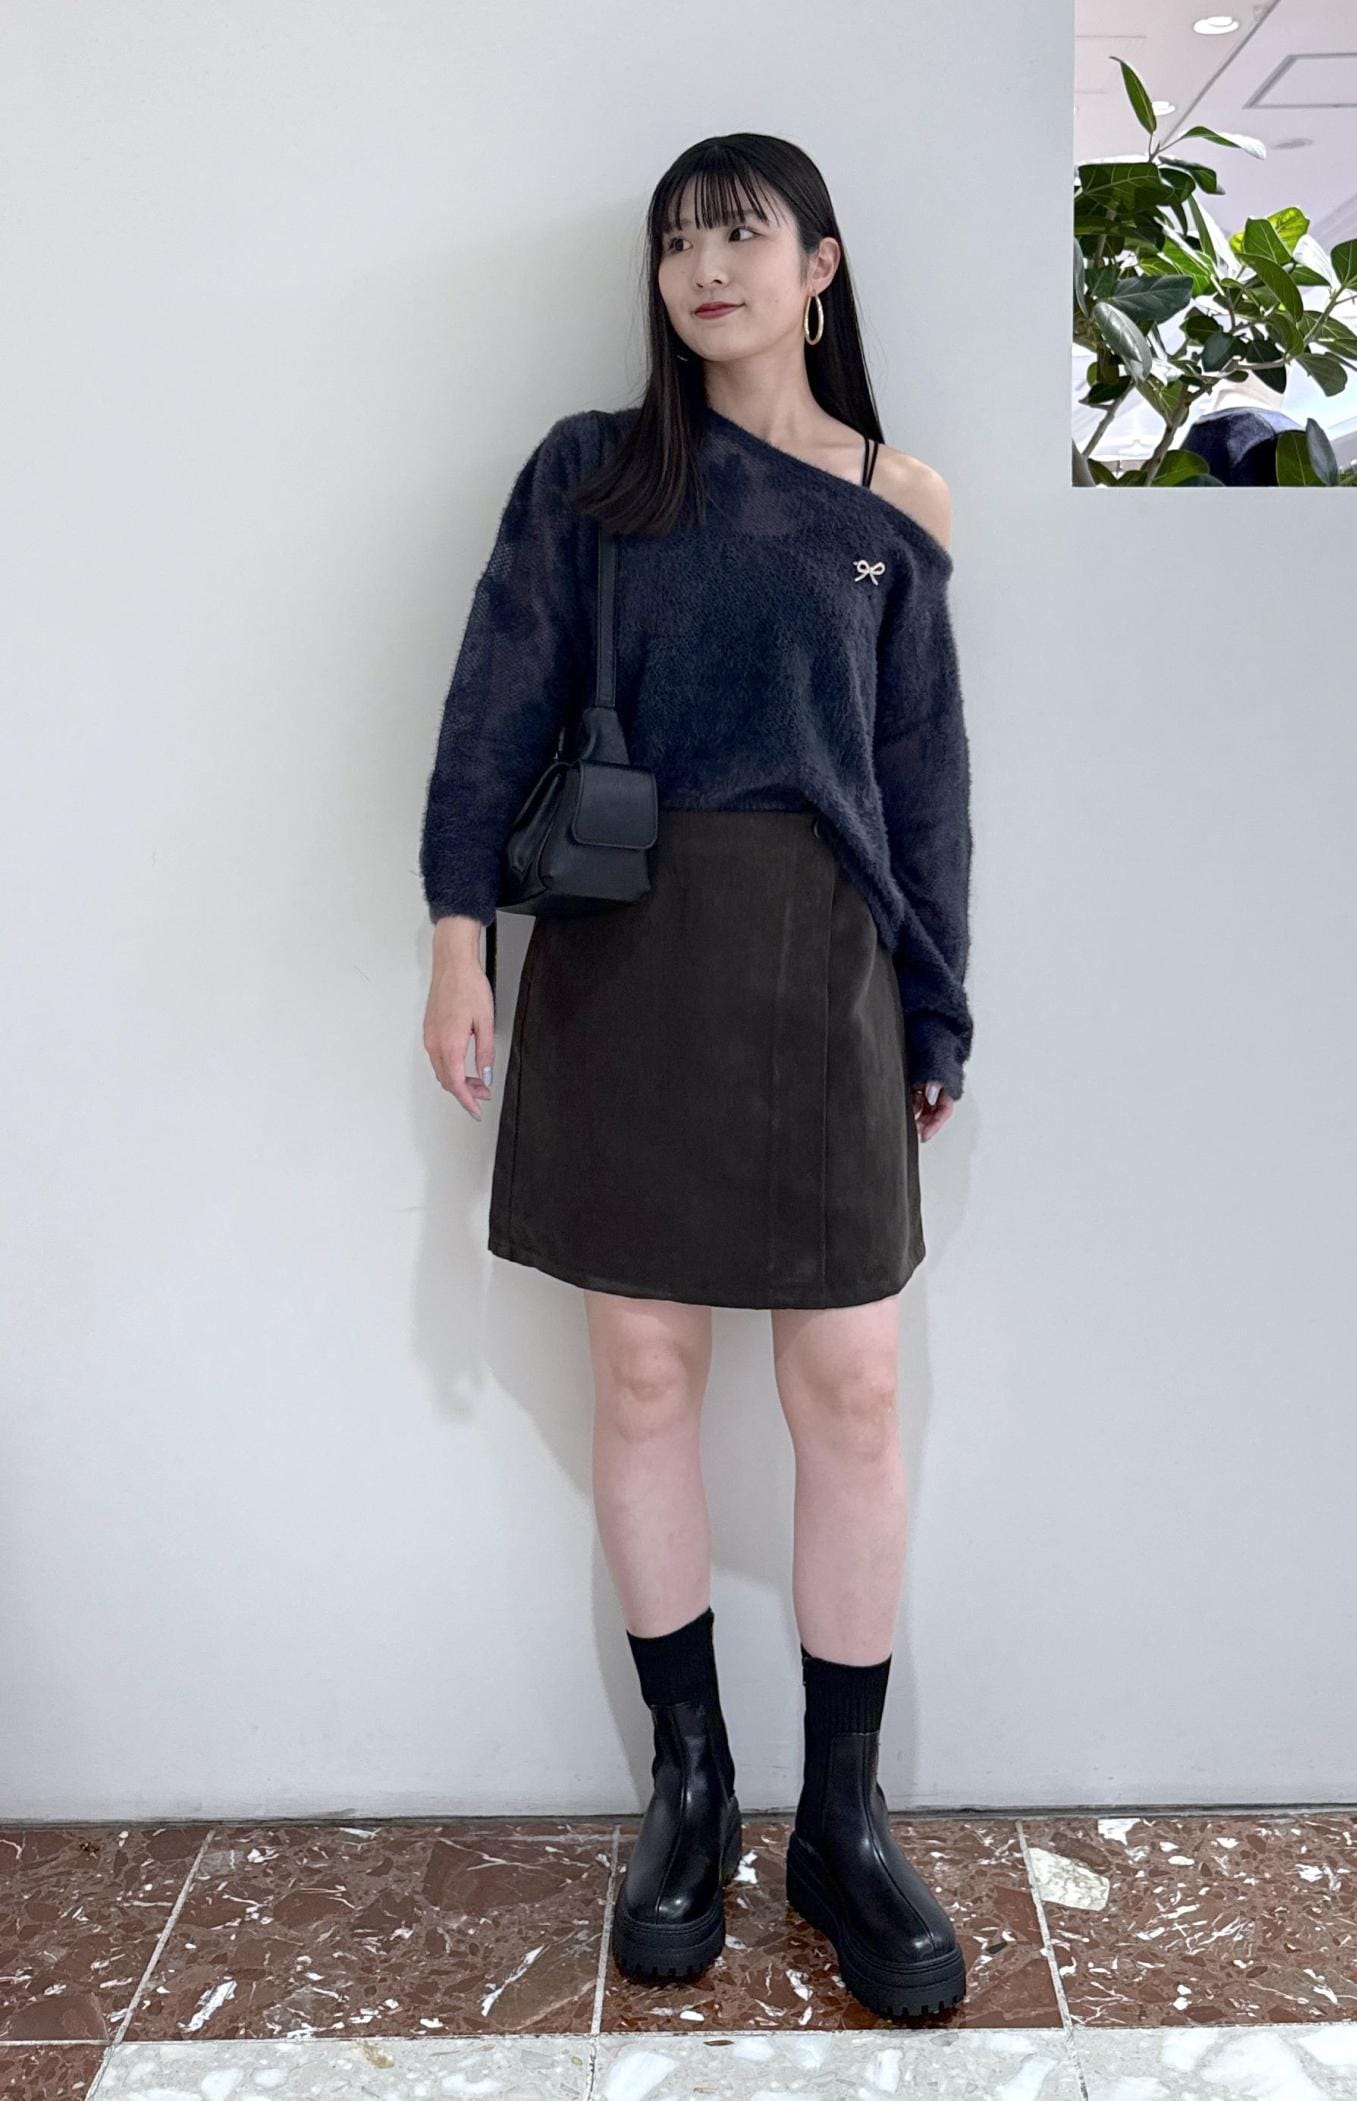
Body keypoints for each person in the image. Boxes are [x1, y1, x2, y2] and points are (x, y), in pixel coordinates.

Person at [418, 134, 974, 2021]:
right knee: (646, 1373)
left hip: (826, 964)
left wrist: (939, 1004)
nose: (705, 266)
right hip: (627, 958)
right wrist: (456, 935)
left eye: (741, 233)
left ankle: (844, 1818)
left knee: (855, 1385)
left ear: (821, 264)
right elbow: (492, 702)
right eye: (677, 241)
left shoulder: (896, 501)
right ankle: (690, 1784)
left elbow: (924, 775)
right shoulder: (595, 475)